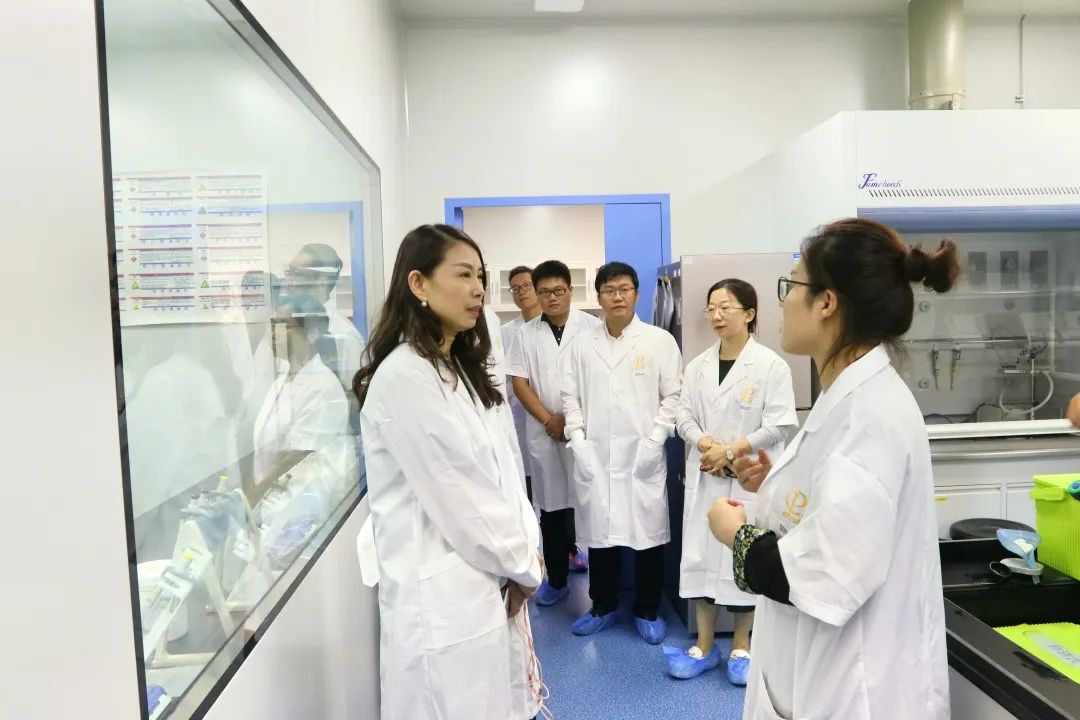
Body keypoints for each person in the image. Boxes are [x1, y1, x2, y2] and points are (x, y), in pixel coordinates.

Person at [708, 218, 955, 719]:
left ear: (826, 302)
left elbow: (826, 575)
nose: (782, 302)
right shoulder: (850, 394)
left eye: (791, 285)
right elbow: (842, 514)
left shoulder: (869, 416)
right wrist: (778, 484)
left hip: (853, 689)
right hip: (819, 673)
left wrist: (734, 534)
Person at [355, 224, 544, 720]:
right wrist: (523, 565)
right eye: (463, 275)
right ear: (418, 283)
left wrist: (524, 554)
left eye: (480, 276)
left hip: (483, 578)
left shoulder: (456, 367)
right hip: (441, 597)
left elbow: (503, 472)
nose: (479, 289)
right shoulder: (405, 377)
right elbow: (463, 498)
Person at [668, 278, 798, 684]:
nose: (717, 315)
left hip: (748, 476)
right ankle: (705, 646)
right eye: (712, 308)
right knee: (702, 558)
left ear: (750, 313)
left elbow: (780, 423)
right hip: (707, 473)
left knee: (743, 557)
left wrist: (732, 451)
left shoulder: (771, 366)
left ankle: (742, 645)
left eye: (726, 307)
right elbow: (682, 415)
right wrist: (705, 444)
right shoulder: (698, 366)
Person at [562, 261, 682, 644]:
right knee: (601, 536)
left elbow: (673, 396)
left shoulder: (659, 342)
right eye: (610, 290)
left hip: (643, 454)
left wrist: (655, 439)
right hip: (595, 453)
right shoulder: (581, 345)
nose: (618, 296)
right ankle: (603, 605)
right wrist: (578, 439)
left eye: (625, 289)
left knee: (647, 534)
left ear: (636, 294)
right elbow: (570, 396)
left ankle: (647, 609)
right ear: (598, 296)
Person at [507, 260, 599, 607]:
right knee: (552, 509)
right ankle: (557, 580)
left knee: (591, 505)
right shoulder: (524, 334)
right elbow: (520, 383)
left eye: (558, 290)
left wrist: (569, 420)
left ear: (570, 290)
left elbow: (598, 382)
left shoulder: (592, 328)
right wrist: (550, 420)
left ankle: (602, 590)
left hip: (584, 431)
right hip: (544, 432)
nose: (552, 297)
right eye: (544, 292)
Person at [252, 292, 350, 490]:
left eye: (283, 325)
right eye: (272, 325)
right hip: (272, 496)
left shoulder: (323, 387)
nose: (274, 333)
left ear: (312, 333)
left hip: (300, 498)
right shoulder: (281, 383)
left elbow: (297, 458)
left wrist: (252, 495)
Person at [284, 243, 366, 388]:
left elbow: (355, 394)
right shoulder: (291, 324)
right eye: (289, 273)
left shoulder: (345, 336)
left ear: (322, 283)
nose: (288, 282)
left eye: (297, 274)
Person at [502, 265, 542, 500]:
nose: (521, 291)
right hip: (518, 416)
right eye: (515, 288)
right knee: (524, 486)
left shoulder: (555, 326)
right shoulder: (505, 332)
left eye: (526, 285)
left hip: (554, 416)